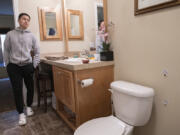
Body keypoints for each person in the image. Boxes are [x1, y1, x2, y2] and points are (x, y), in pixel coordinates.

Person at [3, 13, 40, 126]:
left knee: (30, 88)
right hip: (14, 67)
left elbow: (37, 52)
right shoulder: (10, 34)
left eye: (28, 20)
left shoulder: (32, 36)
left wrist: (34, 65)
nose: (26, 21)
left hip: (28, 65)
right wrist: (8, 65)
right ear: (19, 20)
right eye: (24, 19)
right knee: (17, 90)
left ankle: (28, 107)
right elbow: (6, 50)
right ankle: (20, 113)